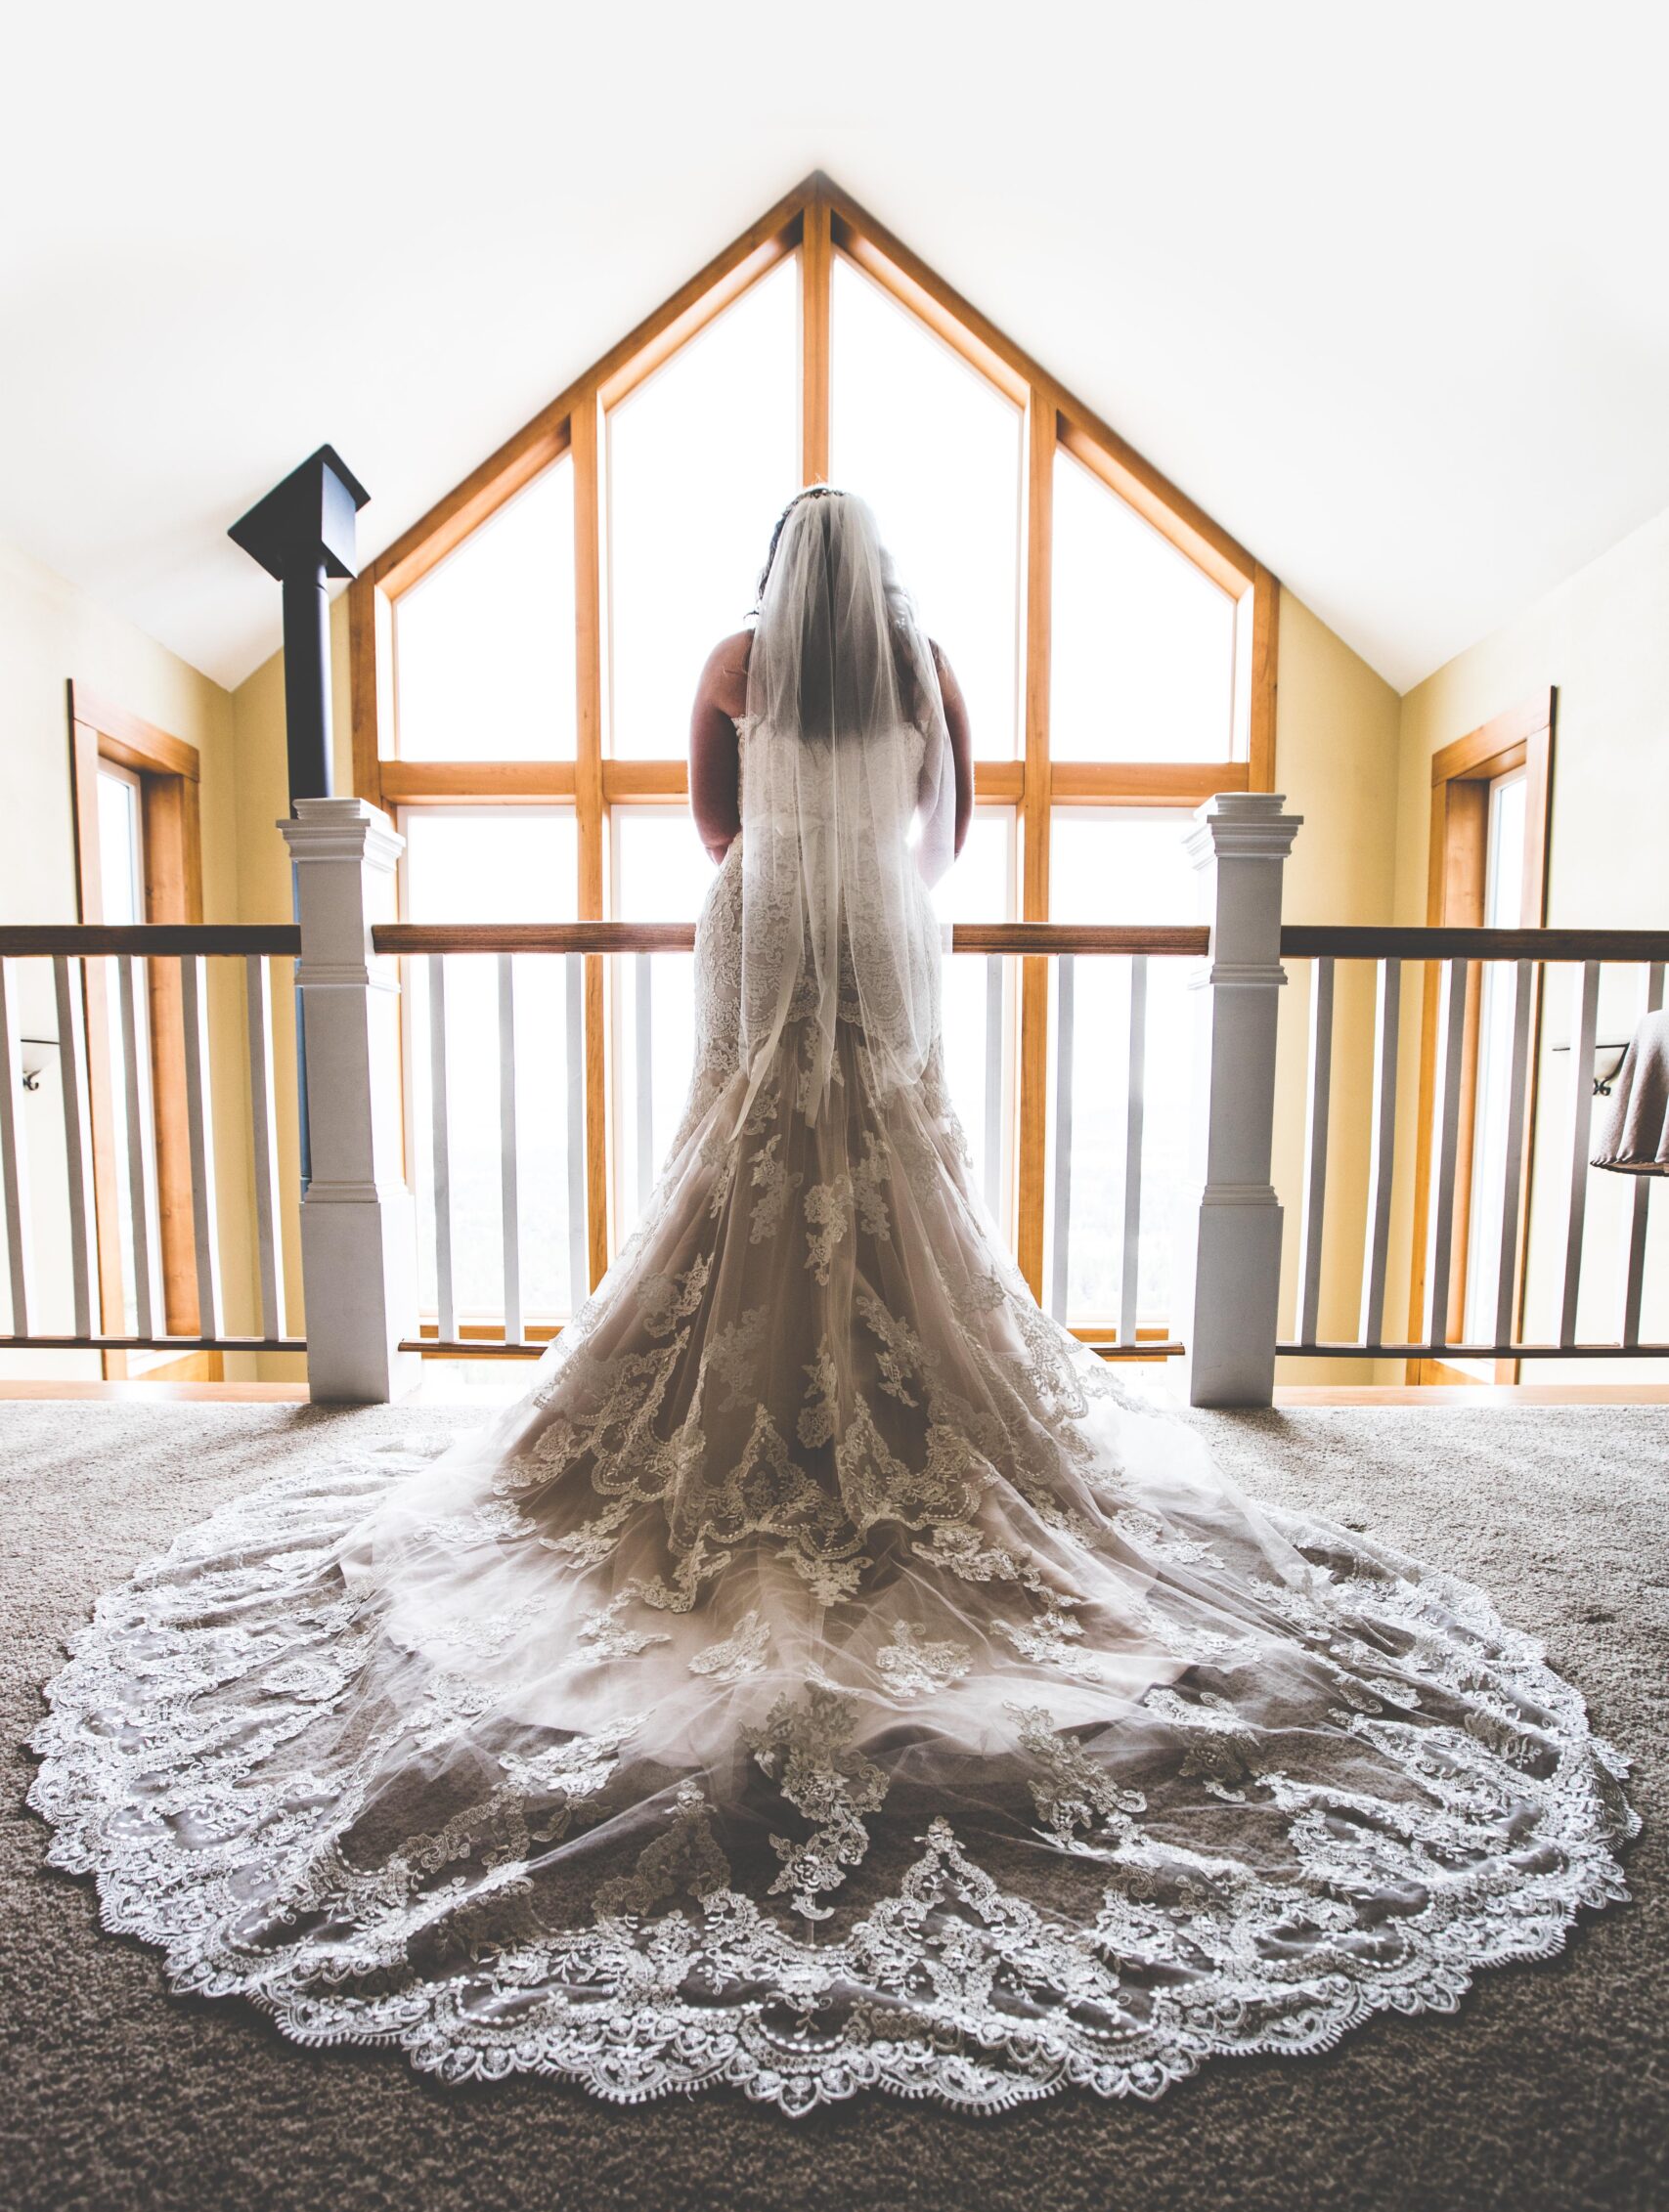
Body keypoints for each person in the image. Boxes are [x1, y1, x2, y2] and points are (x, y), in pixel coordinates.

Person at [31, 490, 1633, 2115]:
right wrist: (870, 870)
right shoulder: (927, 666)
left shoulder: (733, 656)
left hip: (765, 917)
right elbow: (954, 833)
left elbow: (713, 832)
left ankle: (722, 1406)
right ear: (878, 583)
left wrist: (794, 862)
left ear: (777, 582)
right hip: (880, 919)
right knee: (888, 1151)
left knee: (739, 1155)